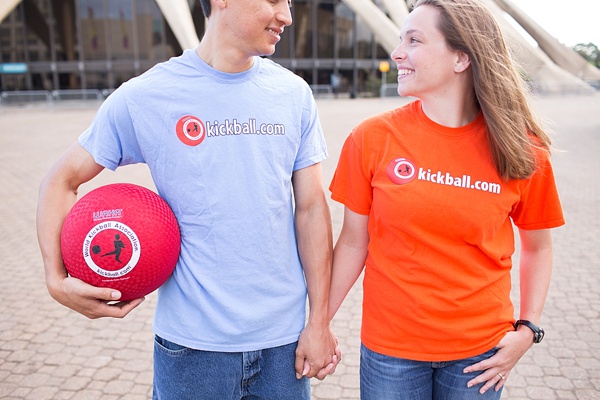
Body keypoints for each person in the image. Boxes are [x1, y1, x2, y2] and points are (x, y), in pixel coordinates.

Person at [36, 0, 339, 398]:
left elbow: (312, 209)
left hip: (284, 345)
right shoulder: (147, 96)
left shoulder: (293, 93)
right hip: (191, 350)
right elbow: (60, 181)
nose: (287, 15)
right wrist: (56, 280)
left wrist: (320, 321)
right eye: (273, 0)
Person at [328, 0, 565, 398]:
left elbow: (538, 247)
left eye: (414, 40)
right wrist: (319, 323)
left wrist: (528, 329)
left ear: (461, 58)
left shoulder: (522, 150)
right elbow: (354, 241)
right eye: (400, 39)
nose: (397, 52)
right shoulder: (371, 138)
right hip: (392, 351)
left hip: (481, 355)